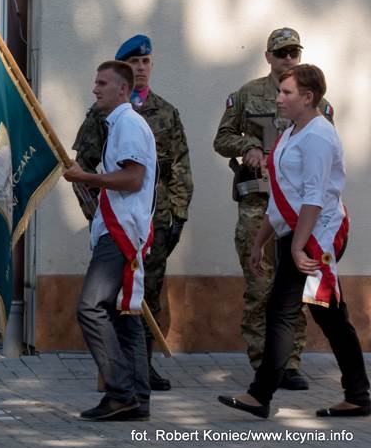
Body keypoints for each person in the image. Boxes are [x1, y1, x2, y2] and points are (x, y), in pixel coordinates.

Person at [218, 64, 369, 419]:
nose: (278, 97)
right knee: (327, 314)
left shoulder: (318, 136)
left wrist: (299, 247)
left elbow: (314, 198)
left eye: (286, 93)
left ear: (308, 97)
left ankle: (261, 395)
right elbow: (281, 198)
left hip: (319, 235)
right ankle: (358, 394)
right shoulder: (290, 134)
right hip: (298, 233)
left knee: (285, 311)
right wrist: (259, 243)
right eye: (279, 91)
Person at [213, 28, 334, 390]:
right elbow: (222, 139)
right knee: (260, 287)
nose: (288, 59)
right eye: (281, 53)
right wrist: (248, 144)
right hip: (258, 205)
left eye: (293, 52)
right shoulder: (248, 95)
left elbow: (324, 152)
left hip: (299, 212)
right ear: (268, 57)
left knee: (293, 290)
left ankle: (289, 363)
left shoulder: (317, 104)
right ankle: (262, 361)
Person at [64, 61, 156, 421]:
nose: (95, 88)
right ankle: (137, 396)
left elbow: (132, 179)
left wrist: (87, 176)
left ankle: (120, 391)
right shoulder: (120, 124)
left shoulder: (128, 124)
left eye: (102, 83)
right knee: (123, 314)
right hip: (121, 229)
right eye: (95, 81)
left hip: (121, 231)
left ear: (123, 89)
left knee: (90, 307)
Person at [116, 35, 192, 391]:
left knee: (149, 293)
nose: (141, 68)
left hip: (156, 222)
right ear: (124, 69)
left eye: (146, 62)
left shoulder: (166, 112)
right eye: (134, 63)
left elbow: (179, 166)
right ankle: (116, 369)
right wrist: (93, 214)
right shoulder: (106, 113)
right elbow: (82, 168)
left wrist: (178, 214)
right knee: (116, 294)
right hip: (117, 223)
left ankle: (143, 367)